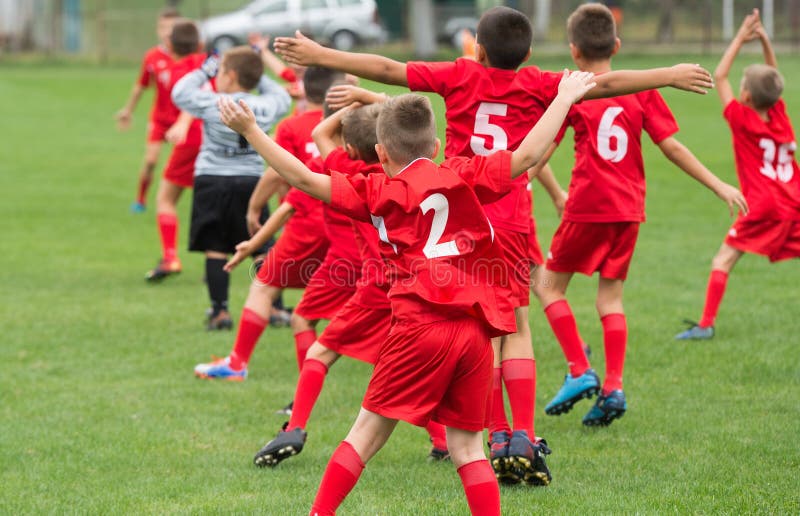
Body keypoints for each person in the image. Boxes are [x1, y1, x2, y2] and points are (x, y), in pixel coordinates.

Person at [274, 4, 714, 486]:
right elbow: (602, 84)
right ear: (527, 53)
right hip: (508, 217)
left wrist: (321, 53)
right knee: (516, 323)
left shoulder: (460, 76)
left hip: (460, 217)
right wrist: (667, 74)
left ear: (476, 48)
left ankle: (499, 433)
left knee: (474, 328)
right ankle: (520, 434)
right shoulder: (538, 82)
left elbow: (387, 69)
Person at [219, 69, 596, 516]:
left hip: (420, 324)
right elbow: (528, 154)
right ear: (435, 147)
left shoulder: (377, 189)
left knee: (364, 434)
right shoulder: (463, 172)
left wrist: (251, 130)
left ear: (380, 152)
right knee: (469, 448)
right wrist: (566, 96)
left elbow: (301, 178)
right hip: (477, 331)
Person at [530, 3, 747, 428]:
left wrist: (514, 181)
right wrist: (719, 184)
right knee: (610, 298)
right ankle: (613, 387)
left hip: (587, 205)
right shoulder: (643, 89)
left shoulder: (573, 90)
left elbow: (541, 150)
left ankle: (578, 369)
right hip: (629, 210)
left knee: (548, 286)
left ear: (574, 52)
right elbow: (673, 147)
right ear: (617, 45)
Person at [249, 89, 450, 467]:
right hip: (417, 287)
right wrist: (373, 99)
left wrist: (350, 106)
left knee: (320, 352)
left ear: (356, 150)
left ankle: (295, 426)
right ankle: (443, 441)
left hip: (376, 286)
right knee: (402, 365)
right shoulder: (411, 176)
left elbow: (319, 135)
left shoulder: (350, 173)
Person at [192, 67, 344, 378]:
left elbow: (277, 171)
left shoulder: (292, 126)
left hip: (306, 222)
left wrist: (254, 208)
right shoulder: (349, 129)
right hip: (347, 228)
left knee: (265, 288)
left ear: (305, 90)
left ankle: (238, 364)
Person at [676, 9, 799, 340]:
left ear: (746, 96)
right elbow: (772, 76)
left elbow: (720, 74)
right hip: (793, 204)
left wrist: (741, 36)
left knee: (723, 259)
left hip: (763, 205)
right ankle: (705, 325)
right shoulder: (781, 117)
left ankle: (706, 325)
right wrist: (764, 39)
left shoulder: (742, 120)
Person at [172, 46, 291, 329]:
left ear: (231, 74)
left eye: (222, 72)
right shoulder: (264, 105)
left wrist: (206, 69)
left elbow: (179, 93)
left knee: (216, 247)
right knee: (261, 243)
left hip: (211, 179)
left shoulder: (213, 102)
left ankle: (220, 311)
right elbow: (283, 97)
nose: (218, 76)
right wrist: (258, 69)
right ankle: (273, 307)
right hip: (250, 180)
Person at [143, 19, 207, 282]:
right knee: (210, 199)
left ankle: (170, 257)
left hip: (190, 139)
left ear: (169, 44)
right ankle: (216, 261)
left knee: (166, 199)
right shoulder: (209, 62)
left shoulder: (178, 69)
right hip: (216, 137)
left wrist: (181, 123)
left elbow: (190, 99)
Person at [115, 7, 179, 213]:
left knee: (189, 166)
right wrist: (128, 110)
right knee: (151, 161)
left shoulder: (189, 55)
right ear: (157, 30)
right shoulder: (152, 56)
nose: (167, 31)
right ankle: (140, 199)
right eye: (163, 27)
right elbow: (141, 86)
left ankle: (176, 200)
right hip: (160, 119)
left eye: (171, 27)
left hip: (183, 120)